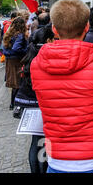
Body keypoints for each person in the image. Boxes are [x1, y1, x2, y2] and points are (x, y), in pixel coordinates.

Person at [30, 0, 93, 173]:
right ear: (86, 27)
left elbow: (47, 101)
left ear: (54, 29)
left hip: (57, 158)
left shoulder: (37, 64)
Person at [14, 23, 55, 174]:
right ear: (49, 40)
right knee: (45, 141)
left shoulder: (30, 54)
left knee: (35, 142)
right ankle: (44, 169)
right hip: (43, 105)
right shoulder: (45, 56)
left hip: (30, 106)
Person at [2, 17, 28, 110]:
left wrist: (8, 54)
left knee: (14, 83)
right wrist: (26, 50)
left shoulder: (9, 34)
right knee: (18, 83)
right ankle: (16, 104)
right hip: (17, 61)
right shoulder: (20, 35)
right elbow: (16, 48)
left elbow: (4, 49)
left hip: (9, 60)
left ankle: (12, 104)